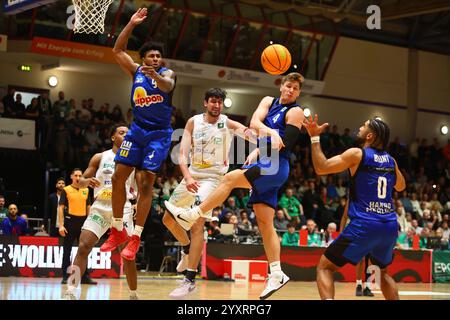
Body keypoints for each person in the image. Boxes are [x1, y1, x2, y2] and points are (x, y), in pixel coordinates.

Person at [165, 72, 305, 299]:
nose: (290, 91)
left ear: (298, 93)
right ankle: (277, 272)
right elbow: (254, 123)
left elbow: (284, 144)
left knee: (229, 179)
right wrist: (263, 142)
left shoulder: (296, 112)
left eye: (295, 89)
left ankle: (193, 214)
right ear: (281, 86)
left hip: (275, 165)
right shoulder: (268, 102)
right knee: (264, 223)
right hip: (264, 160)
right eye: (288, 86)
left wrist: (264, 140)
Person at [162, 88, 256, 298]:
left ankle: (189, 279)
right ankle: (186, 250)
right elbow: (183, 154)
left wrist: (259, 141)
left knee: (197, 225)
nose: (216, 105)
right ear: (205, 103)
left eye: (219, 102)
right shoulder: (193, 122)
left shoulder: (227, 123)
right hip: (192, 175)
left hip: (213, 179)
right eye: (213, 101)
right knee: (168, 219)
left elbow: (247, 132)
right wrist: (187, 177)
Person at [100, 7, 177, 261]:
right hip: (136, 132)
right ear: (144, 58)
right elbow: (117, 50)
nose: (156, 58)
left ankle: (136, 237)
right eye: (151, 56)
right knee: (119, 176)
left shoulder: (166, 74)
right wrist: (131, 23)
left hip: (158, 135)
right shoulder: (135, 72)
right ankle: (118, 230)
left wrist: (157, 75)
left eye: (158, 56)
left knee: (145, 183)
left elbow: (168, 86)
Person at [304, 115, 405, 300]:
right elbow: (401, 186)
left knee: (325, 267)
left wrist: (314, 137)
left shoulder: (357, 154)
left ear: (370, 136)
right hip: (389, 225)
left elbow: (321, 167)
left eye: (364, 126)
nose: (360, 127)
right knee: (383, 273)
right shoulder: (391, 160)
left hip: (366, 224)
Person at [64, 124, 139, 300]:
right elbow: (80, 181)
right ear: (113, 137)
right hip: (100, 206)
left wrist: (137, 204)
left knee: (127, 255)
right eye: (121, 133)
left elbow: (142, 185)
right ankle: (71, 290)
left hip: (124, 208)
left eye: (128, 134)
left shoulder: (135, 159)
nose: (126, 136)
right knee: (83, 247)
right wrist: (86, 181)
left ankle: (133, 293)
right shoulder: (100, 157)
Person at [58, 168, 96, 285]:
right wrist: (61, 225)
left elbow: (88, 207)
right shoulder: (66, 190)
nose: (78, 178)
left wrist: (89, 223)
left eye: (80, 175)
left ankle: (85, 276)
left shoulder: (86, 190)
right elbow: (60, 208)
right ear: (71, 177)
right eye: (76, 175)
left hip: (83, 223)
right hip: (70, 222)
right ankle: (65, 276)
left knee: (84, 251)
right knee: (67, 251)